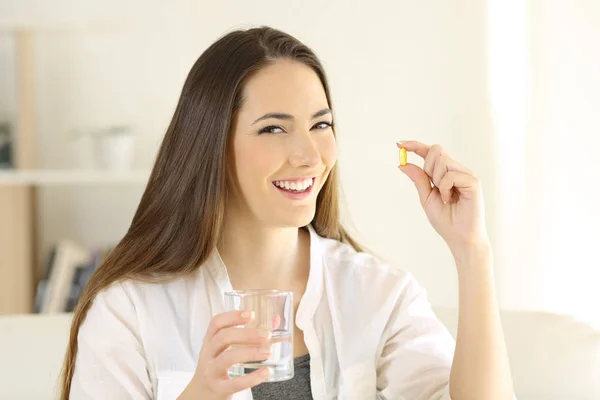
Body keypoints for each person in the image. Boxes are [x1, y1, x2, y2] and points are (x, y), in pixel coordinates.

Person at [60, 26, 514, 400]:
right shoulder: (129, 310)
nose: (308, 155)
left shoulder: (379, 295)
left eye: (321, 124)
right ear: (212, 145)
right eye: (273, 128)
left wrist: (472, 253)